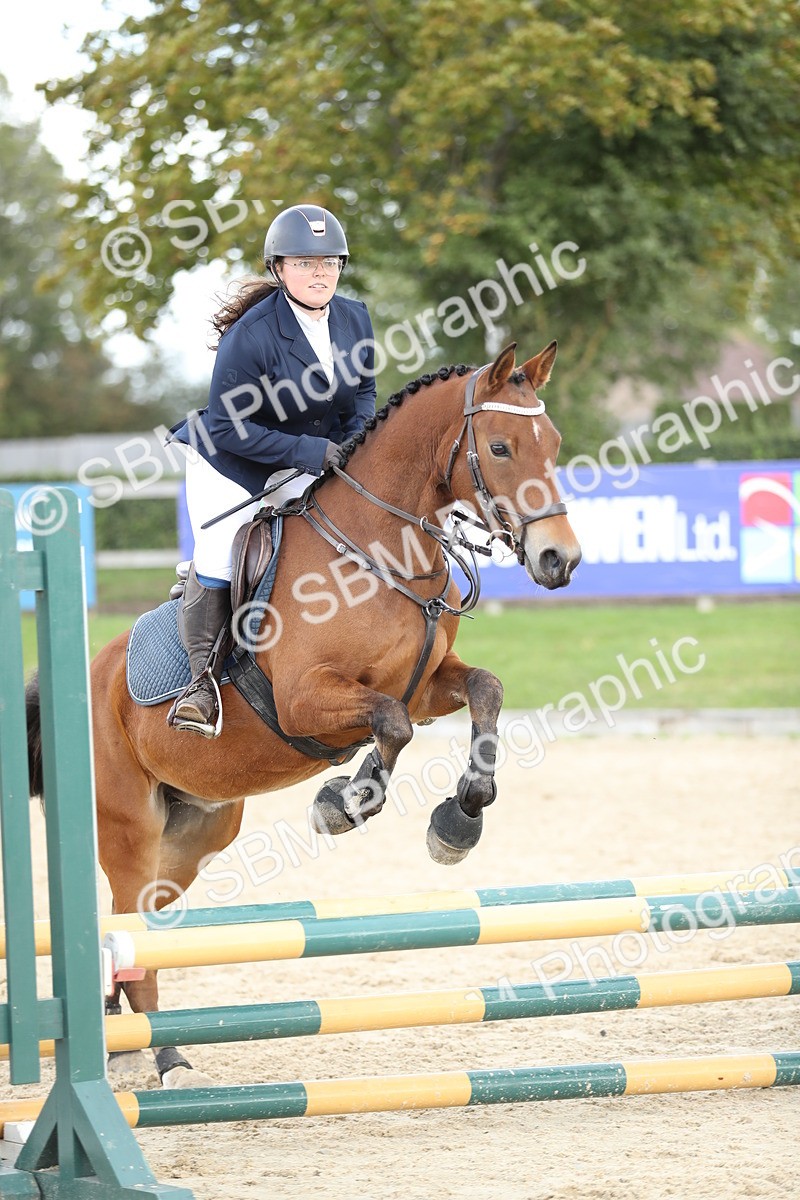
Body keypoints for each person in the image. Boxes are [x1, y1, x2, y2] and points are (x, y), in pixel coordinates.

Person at [166, 203, 377, 737]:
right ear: (279, 268)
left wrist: (357, 443)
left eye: (329, 262)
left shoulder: (354, 317)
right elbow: (227, 426)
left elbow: (364, 392)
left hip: (308, 454)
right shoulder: (252, 333)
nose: (320, 273)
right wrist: (309, 452)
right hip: (229, 461)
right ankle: (201, 685)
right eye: (305, 263)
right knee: (222, 552)